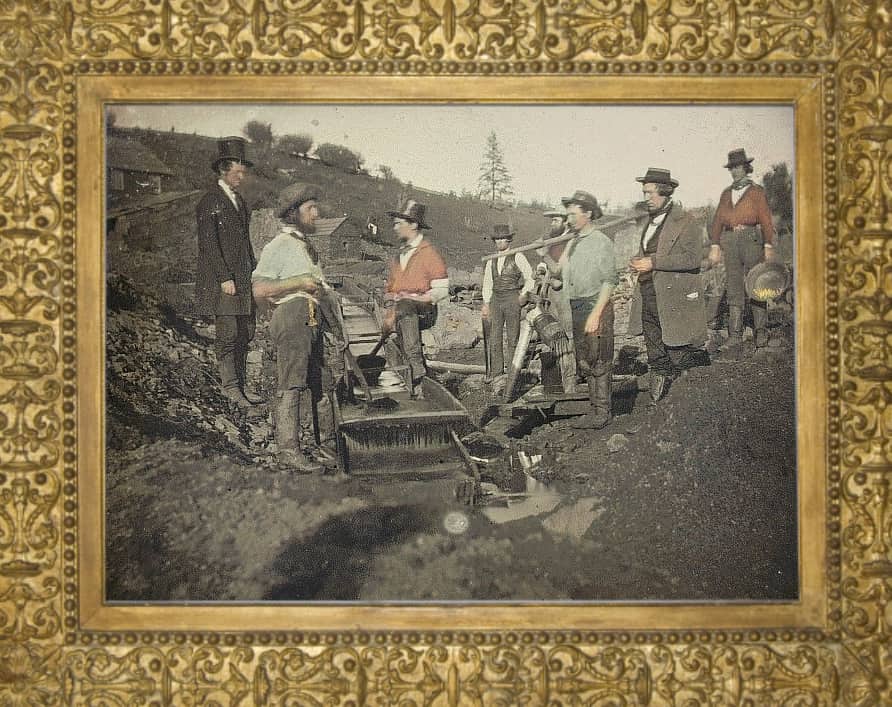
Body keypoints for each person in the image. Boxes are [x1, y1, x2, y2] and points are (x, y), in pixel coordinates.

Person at [251, 183, 331, 474]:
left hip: (309, 314)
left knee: (321, 380)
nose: (316, 213)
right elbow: (260, 289)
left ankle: (321, 446)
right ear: (293, 213)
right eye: (310, 208)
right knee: (292, 381)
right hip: (294, 312)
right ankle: (289, 451)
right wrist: (297, 283)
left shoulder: (303, 246)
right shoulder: (280, 245)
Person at [629, 168, 707, 403]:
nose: (646, 198)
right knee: (653, 343)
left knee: (676, 346)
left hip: (673, 295)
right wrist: (638, 261)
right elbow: (651, 250)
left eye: (650, 193)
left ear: (665, 193)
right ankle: (660, 399)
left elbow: (693, 259)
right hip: (648, 291)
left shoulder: (686, 221)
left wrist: (652, 262)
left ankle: (688, 397)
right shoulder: (648, 221)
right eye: (644, 192)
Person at [194, 136, 259, 407]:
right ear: (223, 170)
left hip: (243, 280)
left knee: (245, 333)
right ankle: (231, 389)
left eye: (243, 173)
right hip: (226, 283)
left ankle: (241, 386)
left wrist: (254, 271)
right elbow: (209, 244)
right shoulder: (210, 201)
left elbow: (245, 242)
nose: (241, 177)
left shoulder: (240, 202)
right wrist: (224, 278)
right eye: (237, 172)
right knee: (228, 335)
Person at [550, 190, 617, 429]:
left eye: (573, 215)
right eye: (567, 215)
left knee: (600, 358)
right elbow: (558, 272)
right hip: (577, 304)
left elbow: (610, 281)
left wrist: (596, 314)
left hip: (595, 304)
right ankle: (593, 410)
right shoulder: (573, 242)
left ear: (588, 214)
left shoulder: (601, 242)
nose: (569, 220)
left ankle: (602, 413)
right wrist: (553, 256)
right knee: (585, 359)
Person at [708, 148, 777, 351]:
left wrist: (768, 245)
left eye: (738, 167)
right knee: (734, 285)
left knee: (756, 283)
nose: (735, 171)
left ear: (746, 168)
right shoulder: (726, 193)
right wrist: (715, 244)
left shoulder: (756, 192)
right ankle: (735, 334)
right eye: (732, 168)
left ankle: (761, 331)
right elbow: (718, 220)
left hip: (751, 240)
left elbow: (765, 219)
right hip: (730, 241)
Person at [383, 200, 449, 397]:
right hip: (402, 309)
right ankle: (405, 374)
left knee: (405, 308)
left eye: (398, 223)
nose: (394, 227)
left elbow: (442, 290)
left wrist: (415, 298)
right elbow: (390, 289)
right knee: (393, 328)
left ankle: (418, 377)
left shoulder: (429, 253)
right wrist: (390, 307)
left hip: (425, 309)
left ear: (413, 224)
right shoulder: (398, 256)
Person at [481, 224, 534, 384]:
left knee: (513, 337)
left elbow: (530, 277)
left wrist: (523, 294)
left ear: (509, 239)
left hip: (512, 298)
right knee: (494, 336)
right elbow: (487, 283)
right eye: (497, 239)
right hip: (496, 299)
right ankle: (497, 373)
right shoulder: (491, 260)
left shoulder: (518, 256)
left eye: (503, 239)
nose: (500, 242)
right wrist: (486, 303)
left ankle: (512, 373)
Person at [538, 207, 577, 384]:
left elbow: (558, 269)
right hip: (553, 293)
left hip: (566, 291)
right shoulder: (555, 240)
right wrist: (541, 268)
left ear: (565, 221)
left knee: (569, 332)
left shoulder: (571, 240)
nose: (552, 223)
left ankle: (572, 374)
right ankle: (562, 372)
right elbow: (548, 267)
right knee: (556, 332)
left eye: (556, 220)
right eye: (551, 220)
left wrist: (544, 255)